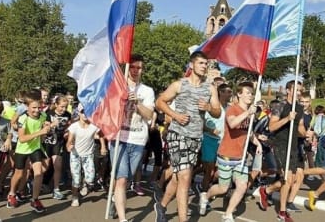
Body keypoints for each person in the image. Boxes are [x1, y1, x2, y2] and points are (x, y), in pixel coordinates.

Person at [154, 51, 221, 222]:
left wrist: (208, 108)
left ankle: (161, 205)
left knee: (178, 177)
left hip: (196, 137)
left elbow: (217, 112)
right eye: (201, 63)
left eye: (206, 64)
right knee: (185, 178)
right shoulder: (180, 85)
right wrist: (175, 115)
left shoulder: (210, 87)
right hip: (178, 134)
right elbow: (160, 102)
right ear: (192, 65)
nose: (204, 66)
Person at [199, 81, 261, 222]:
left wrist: (257, 143)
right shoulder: (232, 109)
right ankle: (205, 196)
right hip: (227, 155)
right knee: (223, 188)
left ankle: (227, 214)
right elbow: (233, 124)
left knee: (242, 186)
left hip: (240, 157)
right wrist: (248, 113)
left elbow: (248, 131)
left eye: (252, 93)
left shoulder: (249, 112)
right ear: (239, 94)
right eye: (247, 93)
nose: (250, 96)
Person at [109, 54, 155, 222]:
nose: (135, 70)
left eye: (139, 68)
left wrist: (137, 103)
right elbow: (109, 111)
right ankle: (123, 219)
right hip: (119, 138)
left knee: (126, 178)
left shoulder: (147, 91)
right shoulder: (116, 88)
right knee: (121, 179)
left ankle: (115, 198)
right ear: (127, 69)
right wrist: (121, 100)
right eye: (133, 67)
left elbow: (149, 115)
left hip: (138, 140)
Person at [258, 80, 305, 222]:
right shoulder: (279, 106)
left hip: (293, 145)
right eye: (296, 90)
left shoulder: (300, 108)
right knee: (287, 179)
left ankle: (266, 190)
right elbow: (271, 127)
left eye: (300, 91)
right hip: (279, 145)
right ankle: (282, 212)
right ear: (288, 90)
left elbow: (300, 127)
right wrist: (287, 119)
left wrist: (306, 134)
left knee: (290, 180)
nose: (298, 93)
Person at [6, 90, 51, 213]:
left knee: (38, 173)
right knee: (19, 174)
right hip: (22, 149)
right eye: (33, 108)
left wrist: (48, 126)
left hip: (35, 148)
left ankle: (35, 199)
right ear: (27, 107)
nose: (37, 110)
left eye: (39, 107)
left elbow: (44, 125)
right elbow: (22, 138)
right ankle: (11, 194)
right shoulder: (23, 119)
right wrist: (40, 132)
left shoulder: (43, 115)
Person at [200, 83, 231, 193]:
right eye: (228, 91)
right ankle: (203, 192)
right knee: (209, 169)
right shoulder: (211, 106)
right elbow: (201, 124)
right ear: (221, 92)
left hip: (223, 142)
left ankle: (206, 187)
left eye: (231, 92)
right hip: (209, 140)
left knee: (218, 170)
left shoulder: (230, 108)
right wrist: (211, 130)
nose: (230, 94)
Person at [66, 107, 99, 207]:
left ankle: (84, 184)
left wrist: (103, 144)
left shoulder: (93, 126)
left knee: (90, 179)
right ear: (79, 114)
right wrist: (69, 146)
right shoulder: (74, 126)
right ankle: (75, 197)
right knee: (76, 179)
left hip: (88, 155)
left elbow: (100, 135)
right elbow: (69, 140)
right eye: (82, 112)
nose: (84, 114)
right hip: (76, 155)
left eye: (87, 112)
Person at [44, 94, 71, 200]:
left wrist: (67, 133)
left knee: (57, 166)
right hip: (47, 142)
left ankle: (56, 189)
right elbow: (44, 129)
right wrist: (51, 125)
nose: (63, 109)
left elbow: (68, 127)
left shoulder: (68, 114)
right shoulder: (48, 113)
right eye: (61, 106)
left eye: (65, 107)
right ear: (56, 105)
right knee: (45, 166)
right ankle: (35, 180)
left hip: (58, 143)